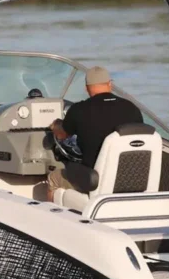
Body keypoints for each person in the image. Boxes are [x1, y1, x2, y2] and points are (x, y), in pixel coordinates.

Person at [47, 66, 143, 201]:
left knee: (54, 178)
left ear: (87, 88)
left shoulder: (78, 110)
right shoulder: (132, 108)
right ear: (110, 84)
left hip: (96, 182)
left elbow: (62, 135)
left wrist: (55, 126)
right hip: (131, 179)